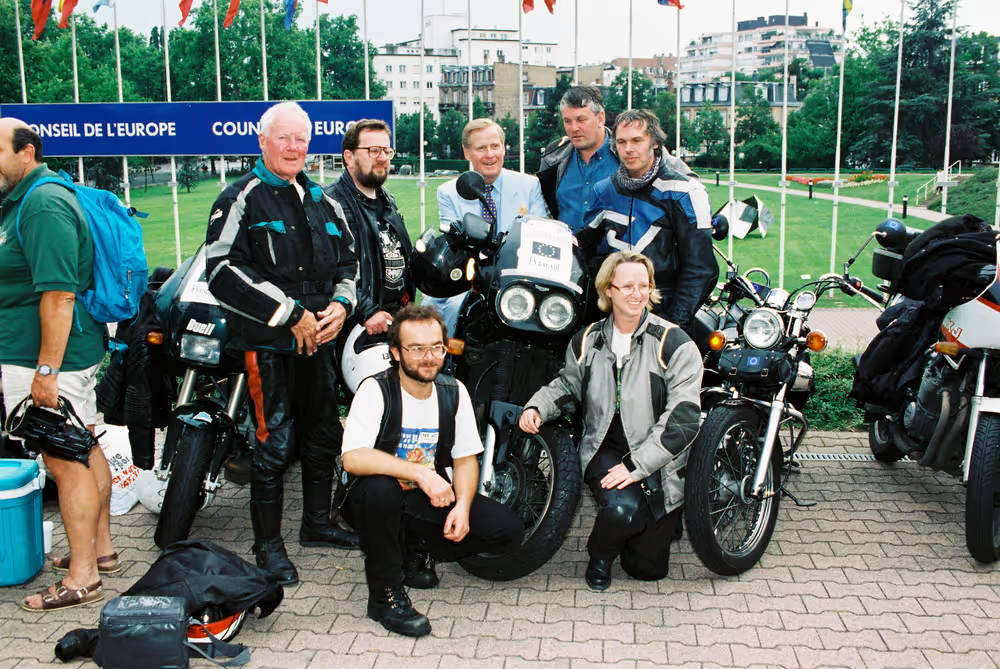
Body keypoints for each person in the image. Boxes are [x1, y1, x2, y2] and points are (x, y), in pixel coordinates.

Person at [205, 101, 360, 586]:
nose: (294, 148)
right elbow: (221, 271)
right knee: (273, 443)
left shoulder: (324, 200)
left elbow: (348, 265)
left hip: (322, 344)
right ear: (262, 141)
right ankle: (267, 547)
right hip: (268, 346)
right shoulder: (240, 199)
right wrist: (289, 314)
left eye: (302, 140)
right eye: (285, 138)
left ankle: (316, 525)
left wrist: (341, 306)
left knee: (322, 437)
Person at [519, 251, 702, 590]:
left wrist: (636, 465)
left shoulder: (674, 343)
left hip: (657, 455)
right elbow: (566, 385)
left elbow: (685, 419)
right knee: (622, 511)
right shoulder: (587, 340)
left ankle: (646, 523)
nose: (637, 294)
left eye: (644, 286)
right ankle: (600, 554)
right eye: (628, 286)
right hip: (604, 446)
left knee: (647, 569)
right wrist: (537, 408)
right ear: (609, 291)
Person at [341, 304, 524, 638]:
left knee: (508, 531)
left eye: (436, 347)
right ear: (395, 352)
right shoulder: (376, 390)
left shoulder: (453, 392)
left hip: (427, 502)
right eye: (416, 348)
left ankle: (415, 549)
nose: (428, 357)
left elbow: (466, 459)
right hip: (374, 500)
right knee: (382, 491)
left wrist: (464, 508)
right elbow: (352, 458)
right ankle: (384, 595)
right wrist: (420, 473)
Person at [0, 119, 115, 611]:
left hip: (48, 359)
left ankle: (83, 577)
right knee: (82, 446)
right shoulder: (26, 198)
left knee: (63, 461)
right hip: (53, 356)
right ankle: (102, 550)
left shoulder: (43, 203)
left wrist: (45, 373)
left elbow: (58, 293)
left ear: (26, 152)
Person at [580, 109, 718, 335]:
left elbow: (701, 269)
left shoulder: (686, 192)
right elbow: (587, 252)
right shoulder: (603, 190)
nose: (629, 149)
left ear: (654, 142)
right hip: (613, 315)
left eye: (637, 140)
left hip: (665, 311)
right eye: (622, 142)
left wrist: (672, 327)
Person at [423, 118, 549, 334]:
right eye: (481, 148)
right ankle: (448, 363)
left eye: (495, 146)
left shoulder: (529, 185)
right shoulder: (448, 192)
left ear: (503, 147)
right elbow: (454, 246)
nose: (490, 154)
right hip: (468, 276)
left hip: (516, 276)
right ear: (467, 152)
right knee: (437, 310)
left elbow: (540, 236)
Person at [325, 119, 413, 340]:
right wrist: (368, 310)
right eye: (373, 151)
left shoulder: (387, 198)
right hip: (357, 327)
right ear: (349, 157)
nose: (383, 158)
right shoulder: (329, 202)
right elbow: (329, 269)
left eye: (386, 150)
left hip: (392, 320)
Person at [537, 85, 619, 232]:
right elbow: (544, 212)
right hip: (566, 252)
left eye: (581, 120)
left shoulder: (627, 154)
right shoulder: (552, 159)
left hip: (617, 253)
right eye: (567, 121)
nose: (574, 128)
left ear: (600, 118)